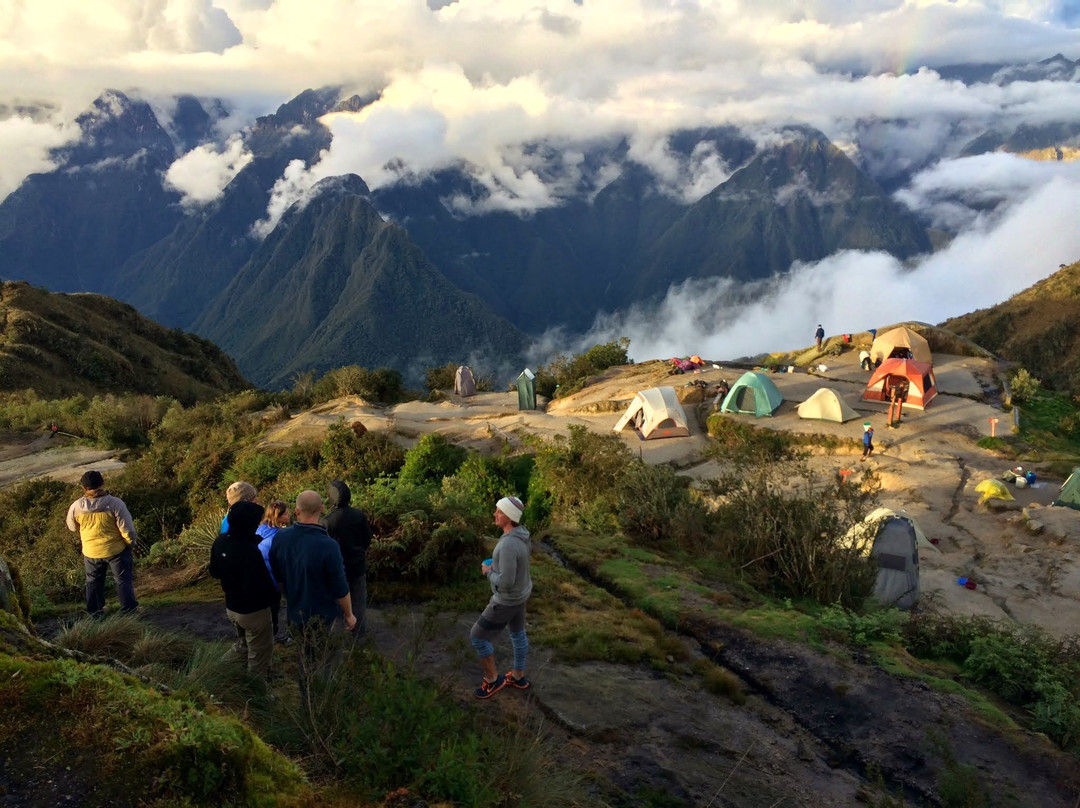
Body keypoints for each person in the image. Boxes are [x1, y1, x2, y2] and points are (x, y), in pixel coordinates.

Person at [469, 496, 532, 699]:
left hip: (505, 601)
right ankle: (518, 676)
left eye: (500, 512)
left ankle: (492, 680)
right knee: (518, 635)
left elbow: (505, 582)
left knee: (478, 637)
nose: (495, 514)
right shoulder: (522, 535)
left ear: (510, 517)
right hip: (520, 596)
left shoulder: (508, 545)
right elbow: (513, 570)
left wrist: (488, 571)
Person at [269, 490, 357, 636]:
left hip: (295, 613)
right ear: (322, 508)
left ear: (297, 511)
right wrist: (349, 614)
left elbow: (276, 572)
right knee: (328, 656)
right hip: (324, 618)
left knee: (302, 655)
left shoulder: (281, 537)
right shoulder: (329, 545)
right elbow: (340, 586)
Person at [209, 500, 278, 677]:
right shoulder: (249, 551)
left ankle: (213, 671)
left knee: (243, 645)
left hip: (232, 606)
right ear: (249, 524)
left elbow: (214, 572)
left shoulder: (220, 541)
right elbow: (262, 585)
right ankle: (258, 694)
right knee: (258, 656)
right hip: (253, 611)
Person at [66, 470, 139, 617]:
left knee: (93, 583)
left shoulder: (76, 507)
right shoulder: (115, 503)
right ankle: (129, 611)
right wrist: (130, 544)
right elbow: (128, 530)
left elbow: (72, 527)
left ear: (84, 488)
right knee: (122, 581)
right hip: (116, 550)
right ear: (103, 484)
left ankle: (96, 613)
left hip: (91, 551)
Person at [322, 480, 373, 635]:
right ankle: (359, 638)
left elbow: (325, 548)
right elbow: (367, 540)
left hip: (337, 570)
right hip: (357, 566)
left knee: (337, 603)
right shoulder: (359, 515)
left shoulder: (327, 520)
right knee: (359, 604)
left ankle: (336, 639)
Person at [256, 500, 291, 642]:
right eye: (286, 513)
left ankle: (270, 634)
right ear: (278, 516)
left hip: (260, 576)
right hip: (276, 577)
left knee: (269, 609)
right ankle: (281, 634)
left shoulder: (258, 530)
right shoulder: (281, 535)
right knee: (287, 603)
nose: (289, 515)